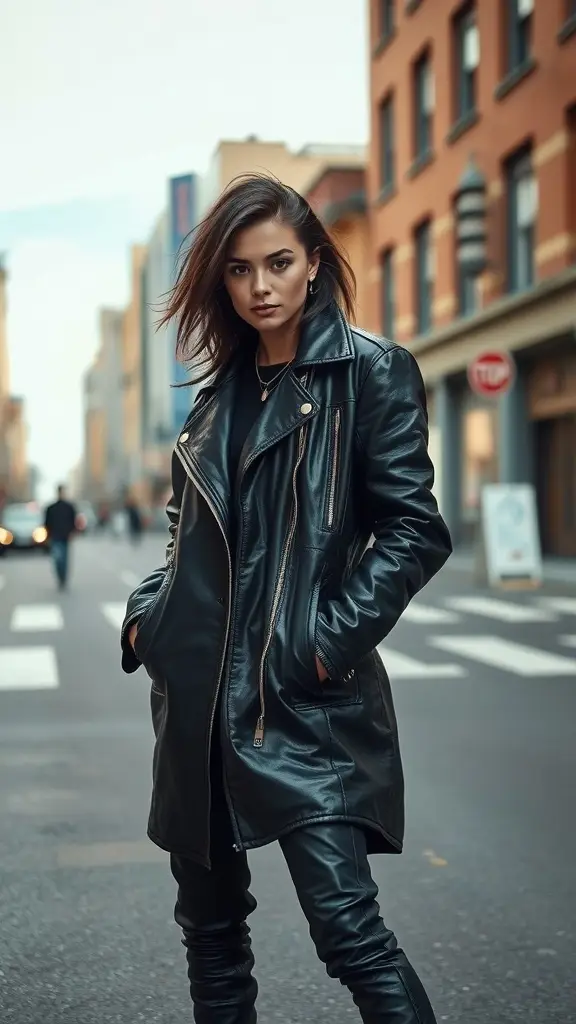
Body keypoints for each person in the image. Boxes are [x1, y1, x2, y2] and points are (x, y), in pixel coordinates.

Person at [121, 174, 452, 1023]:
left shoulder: (370, 374)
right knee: (211, 935)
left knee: (350, 934)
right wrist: (147, 614)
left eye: (277, 263)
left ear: (314, 264)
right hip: (195, 702)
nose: (260, 286)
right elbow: (183, 535)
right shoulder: (214, 400)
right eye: (238, 270)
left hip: (303, 705)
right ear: (220, 282)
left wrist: (319, 643)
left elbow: (415, 529)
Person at [44, 485, 77, 590]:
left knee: (65, 559)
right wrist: (48, 535)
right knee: (58, 559)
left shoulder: (69, 507)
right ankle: (60, 577)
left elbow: (73, 521)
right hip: (55, 537)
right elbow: (47, 523)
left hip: (65, 536)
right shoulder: (51, 508)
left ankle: (63, 578)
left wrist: (72, 532)